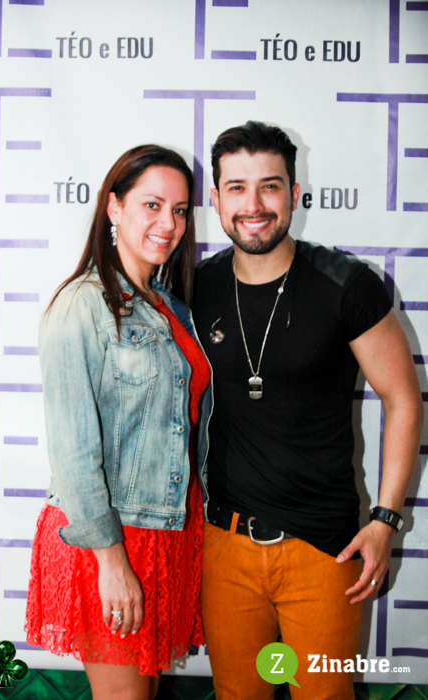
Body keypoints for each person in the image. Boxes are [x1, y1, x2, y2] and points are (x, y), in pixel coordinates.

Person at [192, 121, 423, 699]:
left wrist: (386, 520)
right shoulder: (197, 287)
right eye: (237, 188)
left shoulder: (346, 284)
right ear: (216, 200)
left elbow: (402, 398)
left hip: (325, 548)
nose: (253, 205)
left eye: (270, 186)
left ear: (295, 194)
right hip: (223, 544)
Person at [25, 145, 212, 700]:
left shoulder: (170, 307)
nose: (168, 224)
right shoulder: (80, 306)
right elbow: (73, 450)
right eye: (152, 204)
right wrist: (112, 562)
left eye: (179, 210)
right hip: (112, 539)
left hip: (167, 534)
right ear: (114, 207)